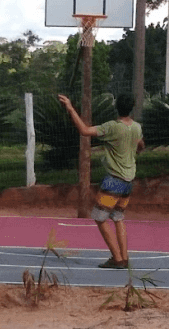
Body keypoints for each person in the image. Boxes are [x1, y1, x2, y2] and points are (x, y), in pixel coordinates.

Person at [57, 92, 145, 269]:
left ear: (116, 107)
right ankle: (124, 258)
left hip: (114, 181)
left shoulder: (112, 127)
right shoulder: (136, 127)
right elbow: (141, 145)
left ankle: (117, 258)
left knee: (99, 217)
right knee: (118, 218)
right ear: (131, 108)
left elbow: (85, 131)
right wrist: (135, 150)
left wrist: (70, 108)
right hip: (129, 181)